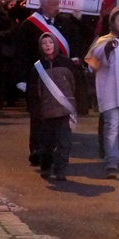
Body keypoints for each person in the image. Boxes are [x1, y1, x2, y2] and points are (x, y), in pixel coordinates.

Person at [15, 0, 92, 165]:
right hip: (39, 77)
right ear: (43, 5)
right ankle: (36, 149)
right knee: (38, 116)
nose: (58, 7)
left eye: (58, 3)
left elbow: (83, 38)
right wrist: (21, 79)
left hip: (60, 80)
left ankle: (54, 151)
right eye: (54, 4)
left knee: (59, 117)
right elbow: (21, 53)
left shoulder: (66, 22)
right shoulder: (29, 25)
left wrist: (80, 21)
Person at [85, 6, 119, 179]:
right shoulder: (105, 40)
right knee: (112, 127)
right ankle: (112, 162)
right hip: (110, 91)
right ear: (113, 23)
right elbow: (95, 57)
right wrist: (108, 48)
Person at [26, 32, 79, 181]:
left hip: (64, 111)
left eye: (50, 42)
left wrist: (76, 105)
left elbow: (75, 85)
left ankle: (60, 169)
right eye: (44, 43)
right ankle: (46, 166)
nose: (48, 45)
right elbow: (33, 92)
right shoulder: (37, 68)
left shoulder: (66, 63)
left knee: (64, 143)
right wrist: (35, 111)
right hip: (46, 112)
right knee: (47, 144)